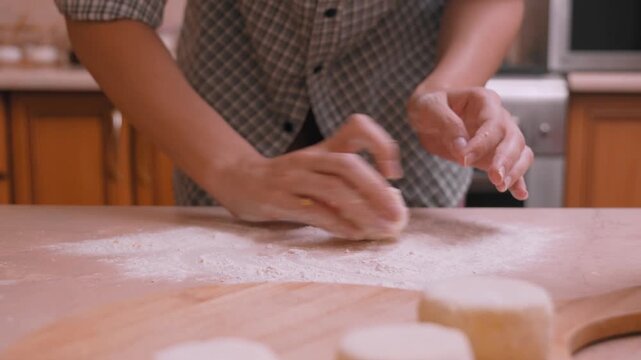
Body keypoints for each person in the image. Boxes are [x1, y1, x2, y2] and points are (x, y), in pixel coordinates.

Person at [55, 0, 531, 239]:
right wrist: (234, 170)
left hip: (418, 166)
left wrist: (443, 89)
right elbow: (102, 9)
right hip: (225, 142)